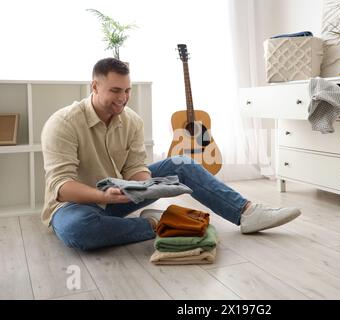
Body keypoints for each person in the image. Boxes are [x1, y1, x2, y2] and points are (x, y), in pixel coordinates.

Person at [41, 57, 301, 251]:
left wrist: (147, 186)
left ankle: (246, 212)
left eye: (127, 90)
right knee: (79, 231)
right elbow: (61, 187)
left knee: (181, 163)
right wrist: (101, 195)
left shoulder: (131, 120)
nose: (123, 98)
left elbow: (135, 168)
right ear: (94, 87)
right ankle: (158, 224)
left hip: (118, 194)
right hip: (74, 204)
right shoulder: (63, 122)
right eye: (115, 91)